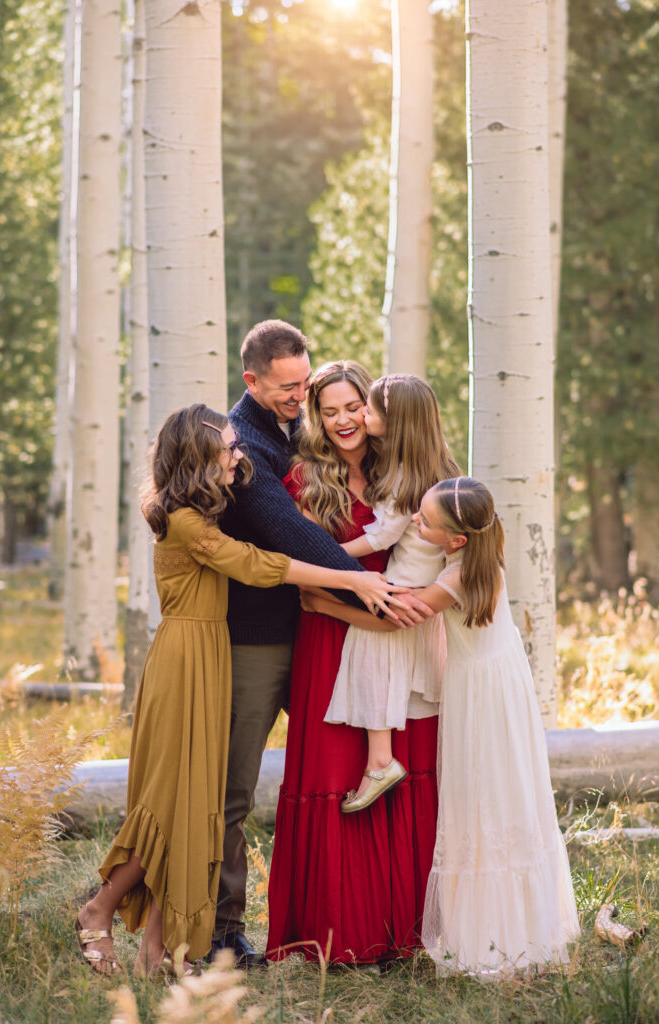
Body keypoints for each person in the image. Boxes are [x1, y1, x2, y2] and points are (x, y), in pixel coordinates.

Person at [74, 404, 406, 977]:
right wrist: (348, 577)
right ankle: (98, 907)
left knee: (195, 805)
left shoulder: (207, 505)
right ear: (199, 459)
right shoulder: (184, 520)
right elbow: (258, 566)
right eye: (228, 448)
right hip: (184, 663)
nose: (238, 455)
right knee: (169, 804)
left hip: (210, 656)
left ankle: (159, 951)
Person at [213, 321, 430, 966]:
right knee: (257, 785)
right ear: (253, 382)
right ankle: (232, 931)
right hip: (285, 633)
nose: (323, 409)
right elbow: (288, 538)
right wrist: (371, 590)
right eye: (305, 395)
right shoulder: (259, 449)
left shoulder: (389, 466)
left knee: (385, 776)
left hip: (375, 646)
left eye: (309, 386)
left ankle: (399, 925)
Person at [265, 362, 440, 966]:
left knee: (402, 769)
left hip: (407, 644)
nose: (343, 421)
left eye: (352, 408)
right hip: (333, 639)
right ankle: (339, 934)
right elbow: (310, 588)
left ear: (371, 409)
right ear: (316, 417)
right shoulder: (306, 481)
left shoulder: (405, 471)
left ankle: (407, 930)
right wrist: (372, 612)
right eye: (329, 411)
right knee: (339, 776)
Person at [410, 476, 580, 978]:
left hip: (481, 695)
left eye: (424, 520)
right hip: (504, 683)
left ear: (456, 540)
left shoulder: (457, 579)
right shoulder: (485, 551)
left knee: (479, 799)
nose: (415, 521)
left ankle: (490, 940)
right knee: (507, 793)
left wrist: (329, 600)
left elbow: (403, 613)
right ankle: (518, 925)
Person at [323, 374, 460, 812]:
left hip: (404, 585)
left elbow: (381, 536)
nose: (362, 415)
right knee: (388, 664)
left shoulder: (405, 476)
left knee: (369, 654)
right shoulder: (439, 468)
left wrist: (329, 558)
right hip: (425, 585)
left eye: (369, 410)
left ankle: (380, 760)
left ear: (395, 422)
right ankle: (380, 759)